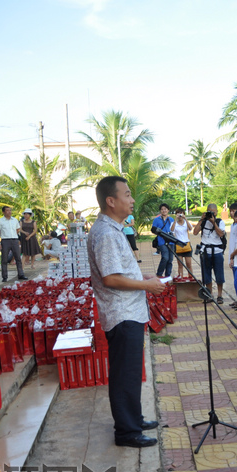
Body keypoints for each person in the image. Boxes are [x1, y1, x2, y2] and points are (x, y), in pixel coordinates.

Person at [88, 176, 164, 448]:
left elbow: (119, 271)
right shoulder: (107, 233)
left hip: (129, 310)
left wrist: (139, 276)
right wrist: (145, 284)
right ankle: (127, 432)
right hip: (122, 314)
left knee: (131, 372)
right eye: (127, 195)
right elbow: (110, 278)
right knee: (124, 374)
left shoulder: (114, 228)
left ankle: (134, 418)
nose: (132, 200)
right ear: (111, 201)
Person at [193, 204, 227, 304]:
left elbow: (221, 234)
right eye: (209, 211)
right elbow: (195, 232)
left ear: (216, 212)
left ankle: (219, 295)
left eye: (213, 211)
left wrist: (213, 222)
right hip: (205, 251)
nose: (211, 213)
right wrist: (201, 219)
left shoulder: (220, 222)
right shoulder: (203, 222)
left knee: (219, 274)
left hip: (217, 251)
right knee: (206, 274)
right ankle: (209, 294)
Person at [0, 206, 27, 282]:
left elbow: (17, 229)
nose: (9, 212)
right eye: (7, 210)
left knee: (18, 258)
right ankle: (4, 277)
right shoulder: (0, 221)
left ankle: (21, 274)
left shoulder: (15, 220)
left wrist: (14, 237)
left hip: (14, 240)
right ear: (3, 212)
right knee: (4, 259)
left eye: (10, 210)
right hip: (5, 241)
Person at [151, 203, 174, 277]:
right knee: (165, 257)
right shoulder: (156, 220)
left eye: (165, 209)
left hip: (171, 241)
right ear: (160, 211)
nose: (164, 211)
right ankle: (159, 274)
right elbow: (153, 230)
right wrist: (159, 233)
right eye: (162, 209)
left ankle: (168, 275)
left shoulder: (171, 219)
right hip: (162, 241)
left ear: (168, 210)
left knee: (170, 259)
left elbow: (174, 230)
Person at [170, 208, 193, 277]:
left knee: (188, 263)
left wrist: (185, 219)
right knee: (180, 264)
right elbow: (172, 230)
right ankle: (181, 277)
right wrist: (175, 220)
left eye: (181, 213)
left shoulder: (186, 222)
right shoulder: (174, 223)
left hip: (186, 244)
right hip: (178, 245)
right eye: (178, 213)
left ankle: (191, 277)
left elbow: (190, 228)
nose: (180, 215)